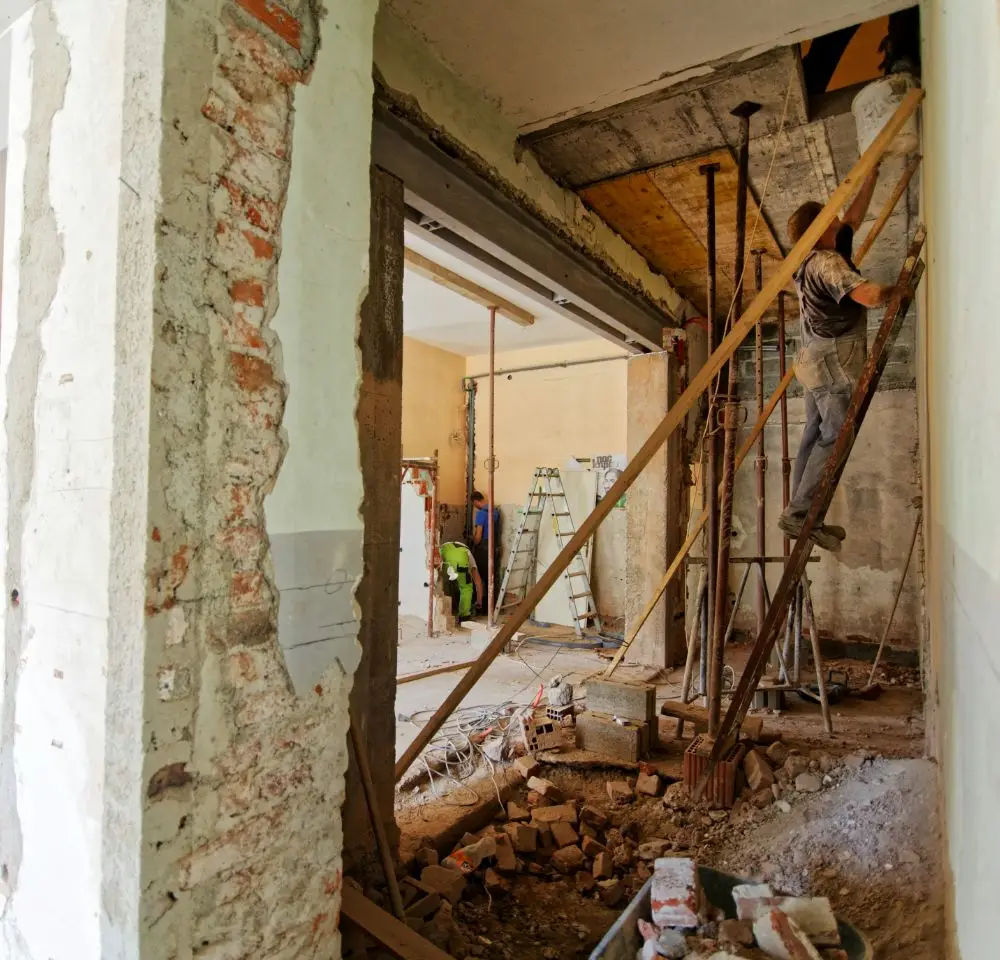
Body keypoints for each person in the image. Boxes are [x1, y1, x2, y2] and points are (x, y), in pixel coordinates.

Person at [778, 166, 898, 552]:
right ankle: (799, 515)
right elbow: (870, 297)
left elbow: (853, 218)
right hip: (831, 361)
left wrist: (871, 174)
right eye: (829, 215)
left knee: (813, 436)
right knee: (833, 437)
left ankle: (802, 515)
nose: (836, 217)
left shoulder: (826, 251)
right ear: (819, 227)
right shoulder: (825, 262)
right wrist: (900, 288)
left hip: (813, 358)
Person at [439, 541, 483, 621]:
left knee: (441, 582)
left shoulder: (445, 545)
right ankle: (464, 616)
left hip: (443, 553)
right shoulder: (468, 554)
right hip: (460, 562)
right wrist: (479, 602)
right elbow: (478, 582)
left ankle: (442, 611)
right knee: (466, 587)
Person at [470, 490, 500, 604]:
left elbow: (478, 537)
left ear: (476, 501)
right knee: (492, 577)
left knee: (479, 577)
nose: (475, 507)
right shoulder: (495, 511)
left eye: (474, 504)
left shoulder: (481, 513)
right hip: (495, 547)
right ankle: (493, 605)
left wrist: (473, 540)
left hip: (484, 549)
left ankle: (481, 604)